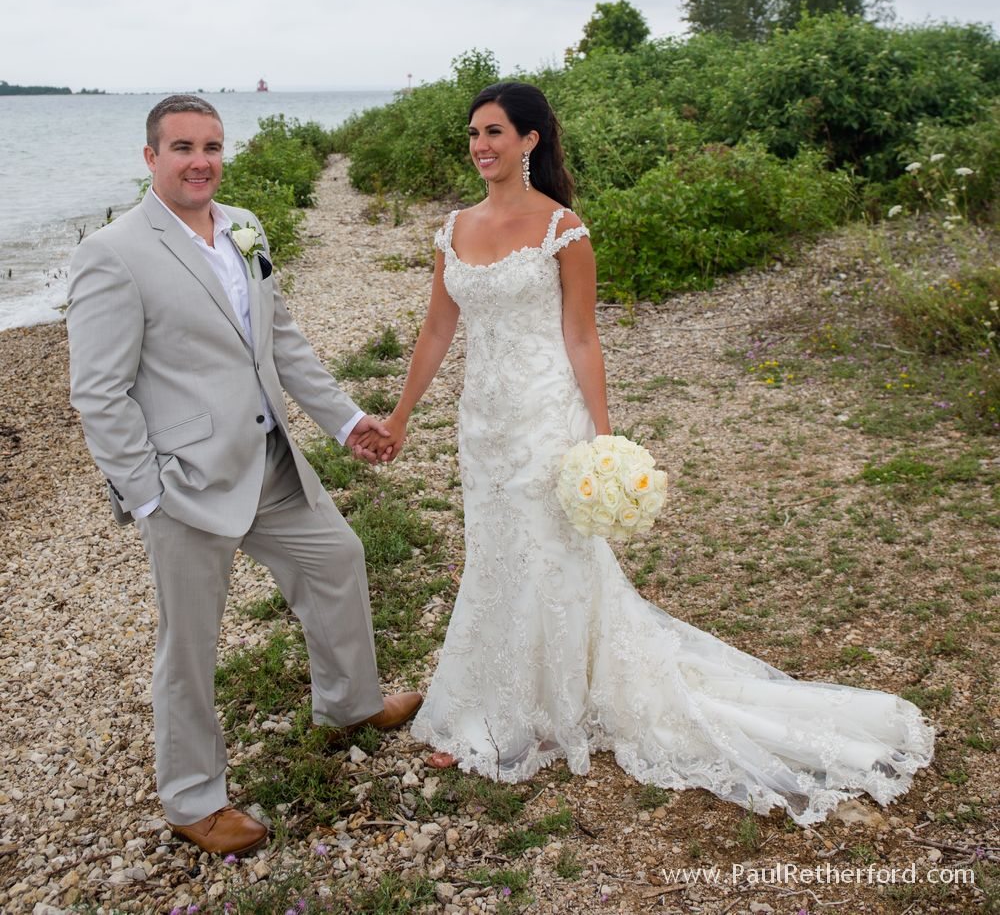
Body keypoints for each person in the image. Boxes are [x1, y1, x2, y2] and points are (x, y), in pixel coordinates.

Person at [375, 80, 934, 825]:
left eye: (496, 133)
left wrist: (603, 441)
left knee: (553, 556)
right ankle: (488, 700)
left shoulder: (564, 230)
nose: (481, 146)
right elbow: (437, 331)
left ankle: (539, 712)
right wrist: (401, 414)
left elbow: (581, 336)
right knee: (496, 553)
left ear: (530, 141)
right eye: (474, 133)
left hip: (548, 418)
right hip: (484, 423)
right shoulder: (453, 229)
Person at [67, 95, 421, 857]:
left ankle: (352, 703)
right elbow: (98, 390)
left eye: (213, 146)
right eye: (184, 147)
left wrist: (347, 419)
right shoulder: (114, 252)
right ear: (150, 157)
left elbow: (281, 342)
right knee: (189, 645)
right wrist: (147, 490)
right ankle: (192, 798)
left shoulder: (243, 227)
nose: (201, 160)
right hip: (185, 482)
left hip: (270, 460)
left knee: (339, 559)